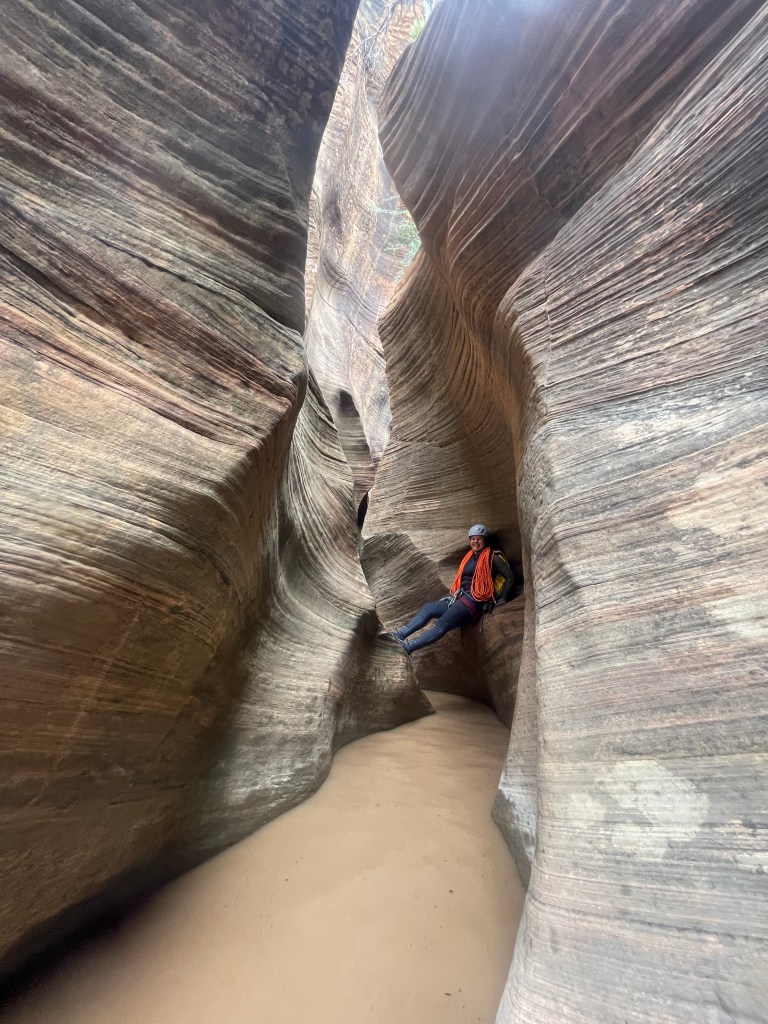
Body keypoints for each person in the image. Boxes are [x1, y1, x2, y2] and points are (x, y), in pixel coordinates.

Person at [391, 524, 515, 654]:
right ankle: (400, 634)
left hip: (473, 603)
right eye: (473, 539)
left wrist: (503, 598)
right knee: (429, 608)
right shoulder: (470, 556)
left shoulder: (492, 557)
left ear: (485, 540)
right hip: (460, 598)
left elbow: (510, 575)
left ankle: (408, 647)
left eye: (479, 539)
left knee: (442, 624)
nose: (475, 541)